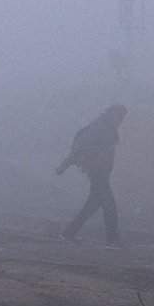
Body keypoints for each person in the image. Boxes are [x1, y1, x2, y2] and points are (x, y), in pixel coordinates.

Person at [57, 104, 127, 246]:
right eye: (118, 115)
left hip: (101, 171)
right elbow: (81, 147)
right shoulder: (99, 127)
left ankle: (68, 233)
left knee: (92, 205)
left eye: (121, 117)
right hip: (97, 172)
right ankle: (112, 241)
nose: (120, 119)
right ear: (110, 113)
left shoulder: (107, 128)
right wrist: (64, 165)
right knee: (109, 205)